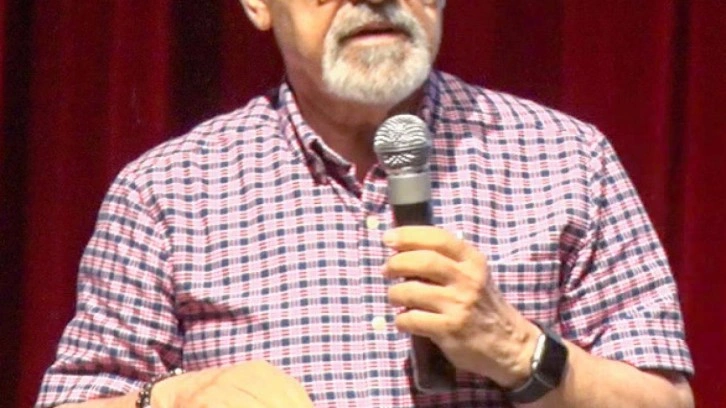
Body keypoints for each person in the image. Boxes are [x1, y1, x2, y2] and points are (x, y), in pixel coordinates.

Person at [35, 1, 695, 407]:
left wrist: (518, 350)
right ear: (257, 5)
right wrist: (181, 399)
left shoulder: (568, 159)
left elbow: (665, 402)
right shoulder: (165, 191)